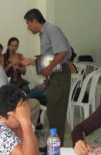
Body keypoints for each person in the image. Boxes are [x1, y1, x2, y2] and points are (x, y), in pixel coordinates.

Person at [23, 8, 72, 145]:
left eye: (28, 24)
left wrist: (49, 68)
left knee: (56, 111)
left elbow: (62, 52)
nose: (28, 28)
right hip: (55, 74)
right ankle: (54, 143)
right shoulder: (43, 34)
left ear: (35, 21)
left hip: (60, 73)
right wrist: (30, 62)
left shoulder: (51, 30)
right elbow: (49, 58)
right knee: (52, 111)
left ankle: (57, 146)